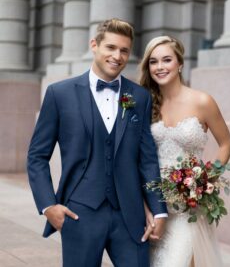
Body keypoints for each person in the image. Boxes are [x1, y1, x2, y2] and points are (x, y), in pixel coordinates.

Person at [27, 18, 167, 267]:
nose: (117, 56)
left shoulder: (139, 97)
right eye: (111, 47)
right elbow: (37, 156)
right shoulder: (59, 94)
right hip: (79, 213)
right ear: (94, 45)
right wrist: (48, 206)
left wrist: (158, 209)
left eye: (124, 50)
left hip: (130, 215)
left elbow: (147, 159)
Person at [140, 35, 230, 267]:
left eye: (166, 60)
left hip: (186, 208)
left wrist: (204, 181)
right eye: (153, 61)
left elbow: (226, 144)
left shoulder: (202, 101)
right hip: (152, 205)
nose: (160, 67)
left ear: (180, 63)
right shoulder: (146, 103)